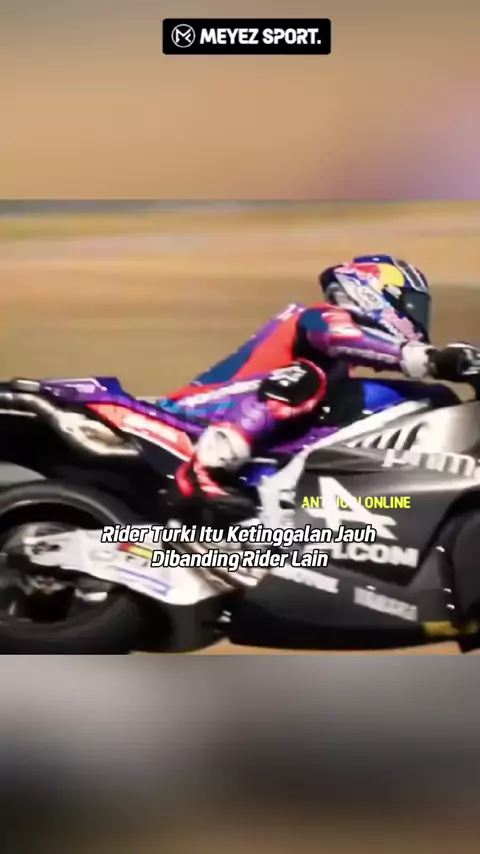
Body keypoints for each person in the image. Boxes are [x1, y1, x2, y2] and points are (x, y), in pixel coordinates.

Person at [163, 254, 480, 519]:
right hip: (195, 414)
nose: (417, 316)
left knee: (434, 399)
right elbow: (345, 338)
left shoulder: (338, 368)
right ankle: (202, 472)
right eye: (411, 304)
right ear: (372, 294)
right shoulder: (318, 318)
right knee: (306, 377)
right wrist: (431, 360)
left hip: (256, 430)